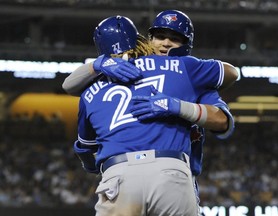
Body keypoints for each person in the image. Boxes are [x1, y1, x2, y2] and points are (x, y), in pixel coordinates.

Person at [72, 15, 234, 216]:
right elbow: (231, 79)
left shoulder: (90, 88)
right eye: (160, 36)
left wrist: (97, 65)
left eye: (174, 39)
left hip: (117, 177)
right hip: (171, 171)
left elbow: (84, 147)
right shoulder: (186, 70)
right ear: (146, 39)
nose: (166, 43)